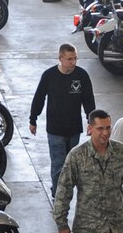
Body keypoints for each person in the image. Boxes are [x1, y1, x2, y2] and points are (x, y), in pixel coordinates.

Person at [30, 44, 94, 180]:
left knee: (71, 165)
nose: (73, 62)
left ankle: (67, 192)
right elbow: (39, 98)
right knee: (58, 165)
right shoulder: (49, 76)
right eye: (69, 59)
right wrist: (33, 119)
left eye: (75, 59)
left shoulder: (81, 75)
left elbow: (88, 100)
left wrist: (91, 121)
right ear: (60, 58)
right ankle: (58, 196)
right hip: (55, 130)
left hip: (74, 129)